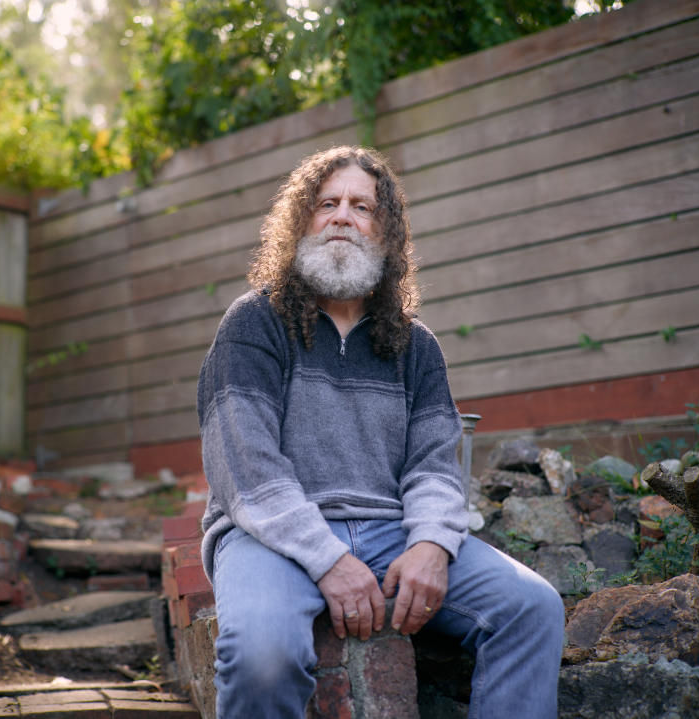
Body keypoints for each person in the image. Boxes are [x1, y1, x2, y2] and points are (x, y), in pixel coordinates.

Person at [196, 146, 564, 719]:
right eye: (327, 203)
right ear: (301, 222)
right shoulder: (254, 322)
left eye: (362, 206)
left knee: (532, 608)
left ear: (386, 236)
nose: (342, 215)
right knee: (261, 656)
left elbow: (435, 466)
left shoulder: (416, 346)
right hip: (268, 537)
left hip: (391, 532)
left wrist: (431, 544)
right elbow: (248, 471)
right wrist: (327, 559)